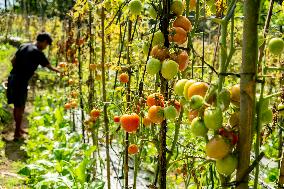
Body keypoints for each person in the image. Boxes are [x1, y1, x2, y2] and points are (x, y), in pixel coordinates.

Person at [6, 32, 60, 140]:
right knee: (19, 107)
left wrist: (21, 70)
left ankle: (19, 128)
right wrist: (60, 71)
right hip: (20, 81)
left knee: (18, 105)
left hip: (13, 77)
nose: (45, 47)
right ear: (44, 42)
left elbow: (13, 60)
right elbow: (49, 66)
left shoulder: (24, 45)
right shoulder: (37, 52)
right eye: (46, 45)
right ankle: (17, 133)